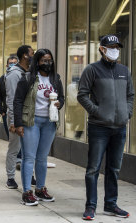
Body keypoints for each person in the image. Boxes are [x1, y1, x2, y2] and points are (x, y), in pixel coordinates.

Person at [77, 34, 134, 220]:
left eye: (117, 47)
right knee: (93, 169)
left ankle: (111, 204)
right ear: (102, 49)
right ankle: (90, 206)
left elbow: (130, 95)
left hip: (120, 127)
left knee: (114, 169)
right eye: (111, 46)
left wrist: (127, 113)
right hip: (99, 127)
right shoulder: (92, 70)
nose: (115, 50)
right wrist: (97, 112)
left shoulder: (124, 70)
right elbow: (82, 95)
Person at [14, 49, 64, 206]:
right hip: (31, 121)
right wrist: (18, 124)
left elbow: (61, 97)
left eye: (49, 60)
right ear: (37, 62)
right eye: (44, 60)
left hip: (49, 122)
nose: (47, 63)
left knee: (42, 158)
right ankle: (27, 191)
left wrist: (59, 103)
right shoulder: (28, 78)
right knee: (29, 157)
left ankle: (40, 189)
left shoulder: (56, 79)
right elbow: (18, 101)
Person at [5, 47, 33, 189]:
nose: (33, 55)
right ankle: (10, 177)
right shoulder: (13, 75)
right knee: (14, 148)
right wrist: (13, 122)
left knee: (30, 149)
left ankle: (30, 175)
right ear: (24, 55)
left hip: (29, 116)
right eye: (31, 53)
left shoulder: (29, 73)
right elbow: (11, 100)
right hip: (16, 117)